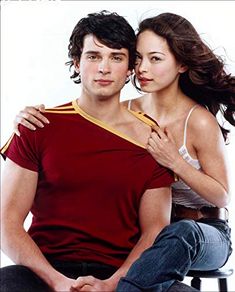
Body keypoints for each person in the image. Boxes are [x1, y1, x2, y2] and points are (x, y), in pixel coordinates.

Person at [14, 12, 235, 292]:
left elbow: (223, 195)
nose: (143, 68)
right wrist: (26, 119)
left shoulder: (199, 120)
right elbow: (85, 126)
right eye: (139, 58)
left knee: (179, 234)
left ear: (180, 64)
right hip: (154, 237)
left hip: (201, 230)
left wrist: (175, 161)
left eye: (155, 59)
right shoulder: (128, 112)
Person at [0, 11, 177, 292]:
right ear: (76, 63)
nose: (104, 68)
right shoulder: (37, 126)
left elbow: (154, 230)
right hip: (44, 271)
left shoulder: (152, 139)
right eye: (94, 56)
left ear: (130, 67)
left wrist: (110, 285)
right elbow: (6, 223)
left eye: (116, 57)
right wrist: (58, 282)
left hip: (122, 275)